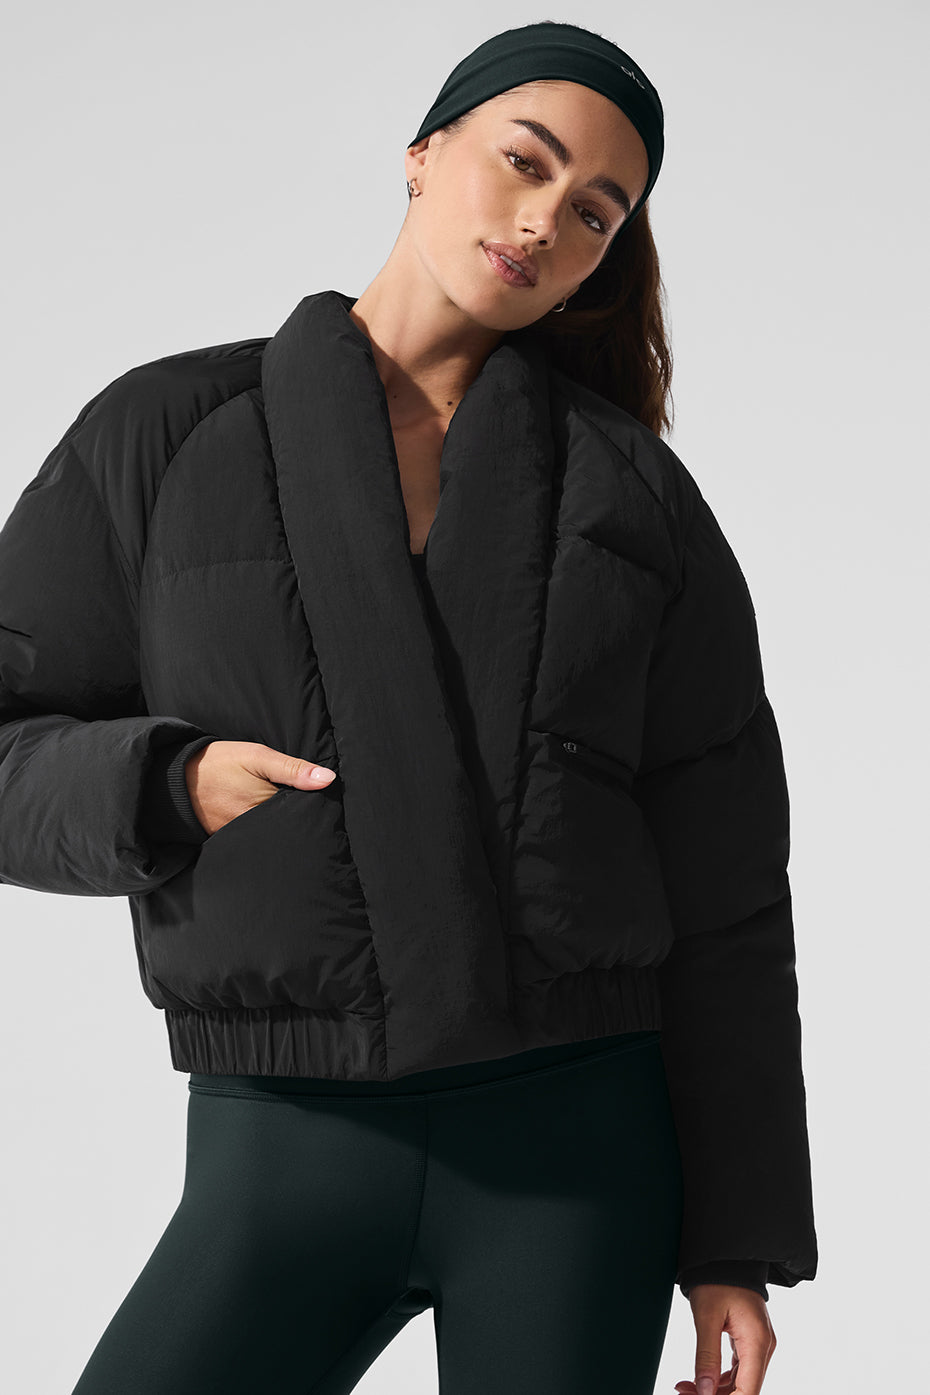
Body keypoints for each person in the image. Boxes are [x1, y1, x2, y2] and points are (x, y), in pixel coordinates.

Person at [0, 20, 817, 1395]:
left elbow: (729, 892)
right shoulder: (167, 435)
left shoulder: (634, 499)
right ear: (422, 153)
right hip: (278, 1151)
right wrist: (166, 784)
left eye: (595, 211)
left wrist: (733, 1240)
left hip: (581, 1168)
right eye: (525, 162)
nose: (545, 219)